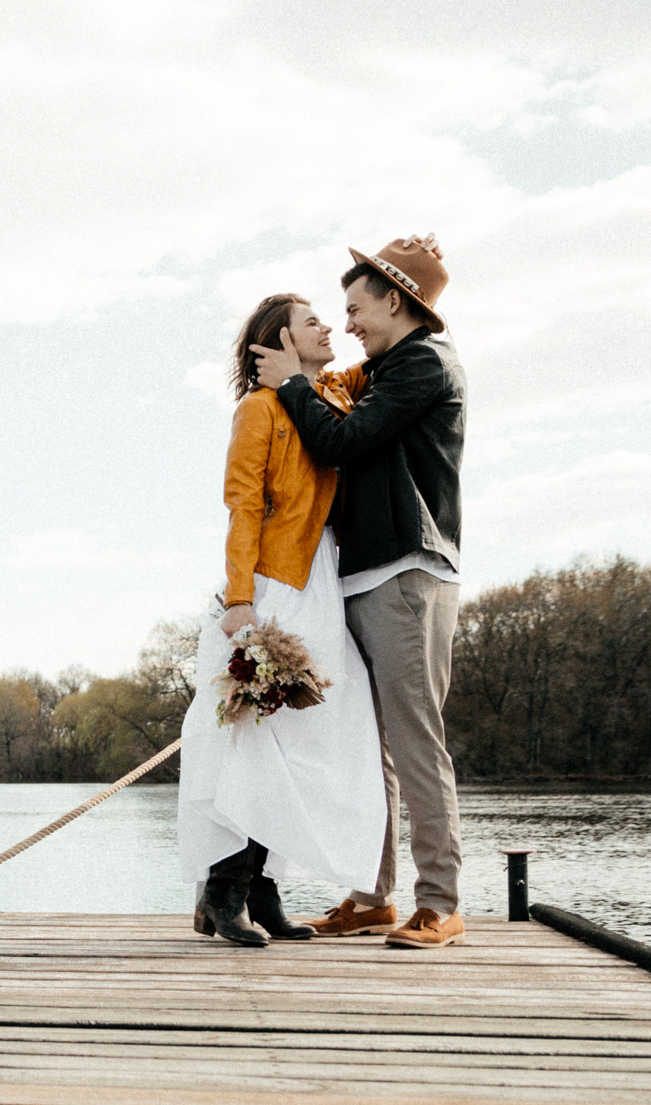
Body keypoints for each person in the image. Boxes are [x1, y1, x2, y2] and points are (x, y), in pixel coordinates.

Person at [249, 235, 469, 950]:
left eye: (355, 307)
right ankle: (373, 897)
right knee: (370, 747)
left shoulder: (424, 365)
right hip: (363, 575)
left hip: (406, 572)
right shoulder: (380, 370)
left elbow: (343, 443)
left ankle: (439, 901)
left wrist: (290, 382)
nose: (347, 324)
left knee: (414, 740)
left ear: (395, 300)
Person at [179, 295, 386, 946]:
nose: (329, 327)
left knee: (305, 742)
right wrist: (240, 599)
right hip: (272, 584)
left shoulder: (327, 398)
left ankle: (262, 888)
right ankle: (227, 890)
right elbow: (243, 505)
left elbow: (387, 360)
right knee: (254, 740)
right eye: (312, 322)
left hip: (321, 582)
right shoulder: (258, 409)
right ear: (281, 341)